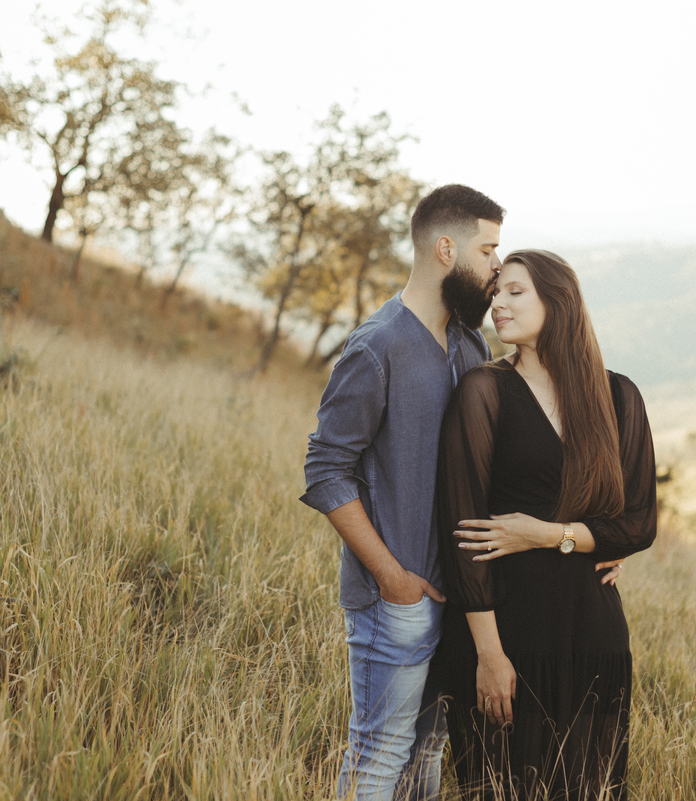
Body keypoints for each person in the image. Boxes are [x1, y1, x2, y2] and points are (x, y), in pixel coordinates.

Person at [300, 184, 505, 800]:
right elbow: (325, 467)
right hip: (396, 602)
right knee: (380, 750)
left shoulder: (470, 345)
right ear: (447, 248)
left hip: (459, 599)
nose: (498, 266)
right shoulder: (378, 345)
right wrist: (392, 577)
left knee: (427, 754)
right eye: (489, 249)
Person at [433, 249, 657, 800]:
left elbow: (638, 523)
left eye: (515, 291)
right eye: (496, 293)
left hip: (592, 633)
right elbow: (463, 537)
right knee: (499, 787)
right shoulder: (484, 392)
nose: (498, 304)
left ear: (557, 303)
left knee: (589, 788)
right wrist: (488, 653)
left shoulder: (618, 396)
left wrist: (549, 535)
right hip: (507, 632)